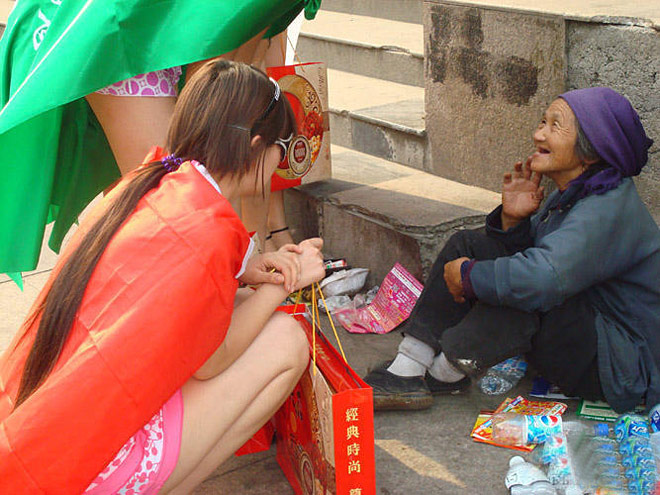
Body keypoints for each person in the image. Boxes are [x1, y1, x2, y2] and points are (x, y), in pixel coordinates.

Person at [0, 60, 326, 493]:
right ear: (256, 144)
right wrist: (289, 282)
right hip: (86, 466)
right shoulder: (205, 231)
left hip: (35, 439)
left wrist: (245, 273)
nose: (279, 163)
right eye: (282, 149)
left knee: (253, 312)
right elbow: (214, 360)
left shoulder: (151, 180)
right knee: (287, 340)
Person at [365, 87, 660, 414]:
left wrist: (468, 276)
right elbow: (538, 259)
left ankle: (445, 373)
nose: (538, 134)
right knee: (469, 245)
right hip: (589, 334)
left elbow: (542, 278)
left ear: (591, 151)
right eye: (541, 121)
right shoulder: (573, 195)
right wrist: (513, 222)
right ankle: (410, 363)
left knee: (526, 291)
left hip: (621, 367)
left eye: (554, 126)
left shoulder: (607, 209)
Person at [0, 0, 319, 284]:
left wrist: (246, 260)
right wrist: (252, 280)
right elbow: (212, 120)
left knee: (171, 217)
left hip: (152, 32)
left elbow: (229, 88)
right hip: (123, 37)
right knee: (171, 217)